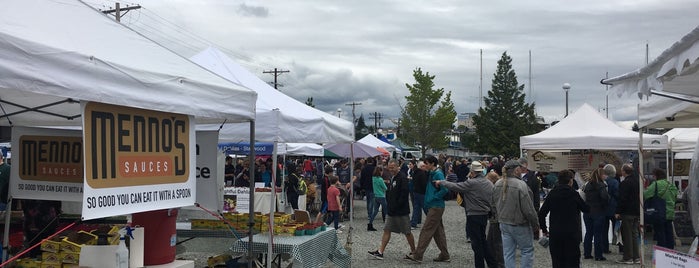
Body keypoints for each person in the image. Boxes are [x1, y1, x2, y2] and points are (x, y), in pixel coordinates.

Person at [436, 161, 495, 268]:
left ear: (472, 172)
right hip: (484, 214)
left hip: (473, 214)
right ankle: (492, 264)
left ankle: (480, 265)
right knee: (483, 241)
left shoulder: (472, 183)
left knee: (476, 244)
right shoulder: (489, 183)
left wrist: (442, 182)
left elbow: (456, 186)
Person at [538, 170, 590, 268]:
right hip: (572, 233)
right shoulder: (574, 194)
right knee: (573, 261)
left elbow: (541, 214)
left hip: (556, 232)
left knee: (557, 261)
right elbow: (586, 209)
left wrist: (544, 230)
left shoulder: (552, 194)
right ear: (571, 181)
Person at [492, 160, 539, 268]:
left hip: (504, 222)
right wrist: (535, 224)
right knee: (527, 250)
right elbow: (528, 209)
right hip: (520, 223)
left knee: (508, 253)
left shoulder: (498, 184)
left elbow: (493, 204)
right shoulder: (521, 185)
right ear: (517, 170)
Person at [368, 159, 416, 259]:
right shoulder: (392, 177)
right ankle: (380, 251)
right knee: (387, 229)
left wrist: (397, 205)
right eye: (389, 167)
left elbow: (404, 194)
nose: (391, 169)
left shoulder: (402, 178)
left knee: (407, 232)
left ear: (398, 166)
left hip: (401, 211)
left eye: (393, 167)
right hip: (392, 210)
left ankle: (414, 251)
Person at [407, 155, 450, 263]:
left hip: (436, 206)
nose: (424, 165)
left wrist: (433, 197)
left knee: (426, 230)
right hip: (434, 205)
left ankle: (418, 255)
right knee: (438, 231)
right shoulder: (432, 173)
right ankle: (445, 255)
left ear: (432, 164)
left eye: (426, 163)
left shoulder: (438, 174)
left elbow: (444, 189)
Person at [643, 168, 678, 249]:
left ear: (656, 176)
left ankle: (662, 252)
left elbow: (646, 195)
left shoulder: (656, 184)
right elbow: (675, 197)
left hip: (659, 213)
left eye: (653, 175)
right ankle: (670, 251)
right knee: (669, 234)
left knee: (660, 233)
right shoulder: (671, 185)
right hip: (670, 213)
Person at [615, 164, 640, 264]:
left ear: (624, 172)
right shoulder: (637, 181)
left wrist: (618, 211)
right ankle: (636, 257)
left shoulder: (625, 183)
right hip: (636, 211)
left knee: (627, 235)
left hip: (627, 212)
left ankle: (628, 257)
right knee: (634, 234)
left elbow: (622, 199)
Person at [582, 168, 610, 261]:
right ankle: (598, 255)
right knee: (598, 234)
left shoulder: (587, 185)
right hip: (598, 211)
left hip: (587, 211)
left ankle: (587, 254)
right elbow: (605, 197)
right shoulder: (602, 185)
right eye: (604, 174)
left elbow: (582, 196)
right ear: (601, 175)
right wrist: (605, 205)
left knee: (588, 233)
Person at [485, 170, 505, 268]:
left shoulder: (496, 187)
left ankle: (500, 264)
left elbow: (495, 203)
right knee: (491, 241)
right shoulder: (498, 185)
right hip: (495, 217)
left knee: (496, 242)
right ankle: (493, 262)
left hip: (496, 218)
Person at [518, 157, 540, 240]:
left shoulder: (533, 177)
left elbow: (536, 194)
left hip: (529, 204)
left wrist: (536, 208)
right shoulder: (515, 176)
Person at [602, 164, 619, 254]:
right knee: (617, 229)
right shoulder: (615, 182)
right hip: (614, 208)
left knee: (604, 230)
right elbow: (617, 195)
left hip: (604, 208)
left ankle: (605, 248)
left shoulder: (602, 181)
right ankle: (621, 248)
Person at [361, 158, 377, 231]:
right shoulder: (374, 168)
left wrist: (362, 186)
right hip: (373, 186)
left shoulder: (364, 169)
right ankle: (371, 214)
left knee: (368, 200)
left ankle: (369, 213)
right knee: (372, 201)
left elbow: (362, 178)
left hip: (366, 186)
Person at [410, 160, 428, 229]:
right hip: (421, 193)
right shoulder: (422, 174)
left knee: (416, 208)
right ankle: (432, 221)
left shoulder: (415, 172)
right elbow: (424, 184)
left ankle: (413, 223)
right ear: (421, 166)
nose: (425, 166)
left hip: (416, 192)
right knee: (425, 208)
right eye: (424, 166)